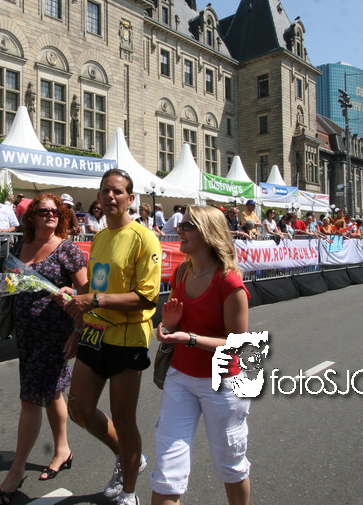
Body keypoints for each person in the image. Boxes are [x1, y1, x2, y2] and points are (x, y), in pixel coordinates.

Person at [58, 169, 162, 505]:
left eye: (117, 191)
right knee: (79, 409)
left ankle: (129, 493)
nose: (110, 196)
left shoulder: (144, 238)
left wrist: (94, 299)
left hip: (127, 339)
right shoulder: (100, 237)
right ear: (98, 197)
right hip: (94, 333)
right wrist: (77, 301)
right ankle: (128, 456)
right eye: (105, 191)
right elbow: (96, 287)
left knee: (124, 420)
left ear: (130, 199)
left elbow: (147, 298)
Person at [0, 193, 89, 505]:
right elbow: (7, 285)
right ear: (32, 217)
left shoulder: (67, 249)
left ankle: (15, 472)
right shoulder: (21, 246)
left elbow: (85, 292)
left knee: (30, 399)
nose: (50, 216)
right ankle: (62, 450)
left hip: (54, 335)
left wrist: (77, 331)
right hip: (27, 335)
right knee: (52, 392)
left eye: (55, 212)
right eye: (43, 212)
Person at [150, 206, 252, 505]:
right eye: (180, 225)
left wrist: (190, 338)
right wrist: (171, 327)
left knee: (231, 467)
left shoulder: (229, 282)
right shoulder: (181, 272)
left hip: (222, 384)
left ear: (208, 234)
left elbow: (237, 344)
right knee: (167, 472)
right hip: (180, 378)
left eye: (188, 226)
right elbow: (175, 324)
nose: (179, 231)